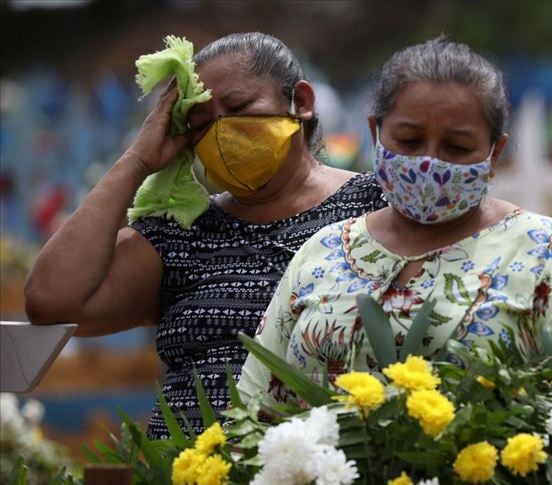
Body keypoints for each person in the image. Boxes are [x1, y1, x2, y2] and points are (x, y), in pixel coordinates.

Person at [238, 38, 552, 407]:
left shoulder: (543, 252)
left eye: (457, 147)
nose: (429, 162)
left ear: (494, 152)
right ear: (375, 133)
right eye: (410, 141)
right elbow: (256, 408)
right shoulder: (323, 253)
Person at [24, 32, 387, 439]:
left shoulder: (376, 207)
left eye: (239, 107)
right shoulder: (181, 235)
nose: (221, 131)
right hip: (185, 468)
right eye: (200, 124)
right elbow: (51, 302)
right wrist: (137, 160)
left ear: (300, 102)